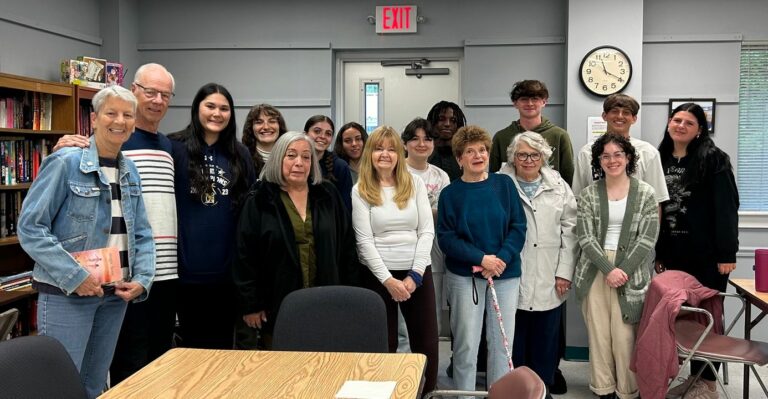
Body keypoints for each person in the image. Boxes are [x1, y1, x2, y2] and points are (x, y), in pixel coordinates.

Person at [17, 86, 155, 399]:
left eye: (127, 115)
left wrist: (143, 280)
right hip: (68, 293)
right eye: (111, 113)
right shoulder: (65, 162)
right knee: (59, 386)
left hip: (113, 296)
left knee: (94, 385)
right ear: (93, 119)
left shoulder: (130, 170)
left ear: (134, 123)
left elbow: (143, 233)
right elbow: (30, 228)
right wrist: (76, 277)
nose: (119, 121)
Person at [53, 63, 180, 384]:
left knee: (153, 364)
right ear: (133, 91)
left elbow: (143, 228)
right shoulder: (87, 150)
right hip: (96, 281)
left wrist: (146, 275)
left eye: (165, 94)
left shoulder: (168, 148)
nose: (157, 100)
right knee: (119, 367)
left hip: (149, 277)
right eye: (149, 91)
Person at [233, 132, 359, 349]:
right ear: (278, 158)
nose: (299, 163)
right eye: (291, 156)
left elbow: (347, 248)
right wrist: (251, 304)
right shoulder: (260, 198)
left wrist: (348, 295)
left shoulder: (328, 194)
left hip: (326, 298)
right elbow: (245, 255)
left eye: (306, 157)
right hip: (277, 303)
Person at [656, 103, 739, 399]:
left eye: (688, 122)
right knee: (682, 316)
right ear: (669, 123)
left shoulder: (713, 159)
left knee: (707, 316)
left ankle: (708, 382)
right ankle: (692, 377)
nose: (680, 126)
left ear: (699, 129)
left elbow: (727, 208)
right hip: (673, 253)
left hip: (707, 255)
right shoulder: (660, 157)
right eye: (676, 120)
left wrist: (727, 254)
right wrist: (659, 252)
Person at [437, 125, 526, 396]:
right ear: (459, 158)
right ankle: (463, 394)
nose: (478, 155)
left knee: (501, 343)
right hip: (466, 278)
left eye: (483, 150)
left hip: (504, 274)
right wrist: (480, 258)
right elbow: (447, 238)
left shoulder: (504, 185)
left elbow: (518, 226)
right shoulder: (450, 194)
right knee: (466, 343)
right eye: (470, 151)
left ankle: (500, 394)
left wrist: (500, 259)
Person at [352, 125, 438, 394]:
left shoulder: (415, 183)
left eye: (391, 149)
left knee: (425, 341)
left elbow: (426, 231)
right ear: (370, 153)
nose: (385, 154)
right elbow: (363, 241)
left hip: (417, 272)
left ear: (400, 154)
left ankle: (426, 392)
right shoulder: (360, 190)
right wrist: (389, 281)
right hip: (378, 275)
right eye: (379, 148)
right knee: (383, 341)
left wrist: (415, 275)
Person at [169, 83, 255, 349]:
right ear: (197, 109)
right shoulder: (174, 147)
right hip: (184, 272)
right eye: (210, 106)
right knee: (190, 349)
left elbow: (250, 212)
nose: (217, 113)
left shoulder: (240, 153)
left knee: (221, 349)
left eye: (224, 108)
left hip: (227, 274)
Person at [573, 133, 659, 399]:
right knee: (599, 335)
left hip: (630, 271)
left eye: (618, 154)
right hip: (594, 269)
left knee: (624, 337)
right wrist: (608, 269)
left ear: (629, 157)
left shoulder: (645, 193)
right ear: (599, 160)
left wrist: (623, 269)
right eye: (606, 156)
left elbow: (648, 237)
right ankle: (604, 388)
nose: (612, 160)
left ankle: (627, 389)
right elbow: (584, 236)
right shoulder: (588, 194)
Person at [498, 131, 578, 392]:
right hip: (511, 271)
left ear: (544, 157)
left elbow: (571, 230)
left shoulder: (558, 185)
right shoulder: (499, 183)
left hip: (549, 272)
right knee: (514, 337)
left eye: (535, 154)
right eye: (522, 154)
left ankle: (542, 389)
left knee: (546, 337)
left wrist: (565, 272)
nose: (529, 160)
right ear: (513, 157)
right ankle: (516, 390)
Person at [572, 94, 669, 204]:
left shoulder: (648, 153)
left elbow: (656, 201)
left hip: (635, 218)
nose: (620, 116)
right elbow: (578, 197)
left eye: (626, 112)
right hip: (596, 218)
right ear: (604, 116)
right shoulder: (587, 152)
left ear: (634, 119)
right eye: (614, 111)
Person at [401, 117, 450, 334]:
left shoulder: (441, 175)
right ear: (404, 144)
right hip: (401, 250)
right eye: (415, 139)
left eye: (427, 139)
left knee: (430, 318)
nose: (422, 144)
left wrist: (417, 211)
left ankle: (427, 366)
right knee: (402, 322)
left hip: (433, 252)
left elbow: (446, 215)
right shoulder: (396, 171)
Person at [489, 80, 575, 186]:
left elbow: (568, 175)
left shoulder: (560, 136)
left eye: (535, 99)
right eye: (524, 99)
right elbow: (494, 176)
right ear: (515, 103)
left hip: (552, 198)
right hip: (511, 198)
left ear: (544, 102)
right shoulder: (501, 137)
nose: (529, 103)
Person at [304, 115, 353, 210]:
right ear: (305, 134)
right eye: (317, 131)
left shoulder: (340, 166)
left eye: (328, 134)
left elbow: (346, 208)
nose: (322, 137)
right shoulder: (296, 163)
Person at [241, 103, 288, 177]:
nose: (266, 127)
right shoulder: (241, 158)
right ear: (251, 128)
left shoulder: (291, 156)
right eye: (259, 122)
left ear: (280, 126)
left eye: (272, 121)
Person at [427, 101, 467, 181]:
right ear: (432, 123)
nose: (447, 124)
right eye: (441, 119)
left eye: (453, 120)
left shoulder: (465, 155)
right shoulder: (422, 153)